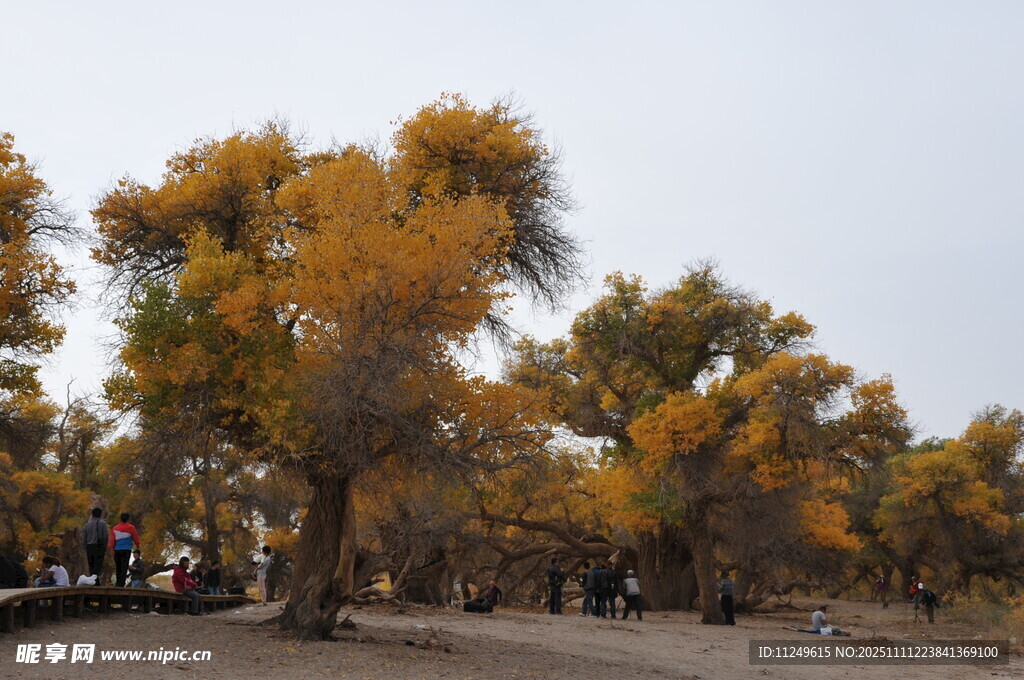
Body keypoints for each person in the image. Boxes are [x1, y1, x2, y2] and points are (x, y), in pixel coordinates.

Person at [108, 512, 141, 587]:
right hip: (126, 550)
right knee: (124, 567)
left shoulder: (115, 528)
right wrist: (137, 545)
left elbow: (112, 540)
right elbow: (135, 537)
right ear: (128, 519)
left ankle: (118, 583)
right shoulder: (131, 527)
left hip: (117, 550)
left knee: (118, 566)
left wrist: (112, 549)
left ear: (120, 519)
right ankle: (121, 584)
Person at [82, 508, 108, 579]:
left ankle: (92, 580)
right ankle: (96, 580)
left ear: (92, 514)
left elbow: (84, 538)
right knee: (98, 565)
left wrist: (85, 547)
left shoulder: (87, 525)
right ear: (100, 515)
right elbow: (105, 536)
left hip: (89, 546)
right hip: (99, 546)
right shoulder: (103, 523)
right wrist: (105, 546)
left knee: (91, 565)